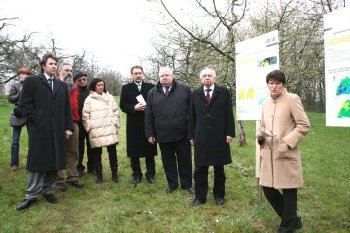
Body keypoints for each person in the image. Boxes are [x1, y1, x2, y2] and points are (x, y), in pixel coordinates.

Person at [14, 53, 73, 211]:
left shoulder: (60, 85)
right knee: (37, 160)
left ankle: (48, 189)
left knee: (55, 159)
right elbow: (24, 104)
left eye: (55, 64)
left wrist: (68, 127)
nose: (54, 66)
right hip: (39, 128)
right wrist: (36, 119)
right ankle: (31, 194)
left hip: (58, 128)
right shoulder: (33, 81)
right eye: (51, 63)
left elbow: (66, 108)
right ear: (43, 65)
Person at [256, 70, 310, 233]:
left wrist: (287, 143)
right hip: (268, 152)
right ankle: (292, 219)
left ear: (283, 84)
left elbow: (304, 125)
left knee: (288, 189)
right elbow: (264, 125)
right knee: (267, 188)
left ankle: (287, 225)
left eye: (277, 83)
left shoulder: (293, 99)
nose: (274, 86)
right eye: (271, 83)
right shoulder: (265, 103)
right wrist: (260, 135)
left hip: (286, 152)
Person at [188, 68, 235, 206]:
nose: (207, 77)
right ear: (200, 78)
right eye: (204, 75)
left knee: (219, 168)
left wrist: (229, 133)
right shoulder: (195, 94)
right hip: (200, 136)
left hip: (219, 136)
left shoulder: (224, 92)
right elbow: (191, 116)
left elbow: (229, 114)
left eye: (209, 75)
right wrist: (191, 135)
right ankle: (199, 197)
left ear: (215, 78)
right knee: (200, 168)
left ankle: (219, 195)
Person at [145, 67, 194, 194]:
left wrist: (191, 133)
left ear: (172, 76)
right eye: (162, 76)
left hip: (182, 134)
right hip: (162, 134)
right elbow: (149, 115)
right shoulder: (152, 93)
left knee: (185, 160)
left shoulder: (185, 90)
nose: (165, 77)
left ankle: (187, 184)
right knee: (168, 161)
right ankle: (172, 184)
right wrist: (150, 133)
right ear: (159, 77)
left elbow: (192, 112)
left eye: (167, 75)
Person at [120, 65, 157, 184]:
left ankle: (150, 175)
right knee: (134, 150)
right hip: (133, 123)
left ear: (143, 74)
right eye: (135, 73)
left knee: (149, 149)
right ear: (132, 75)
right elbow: (122, 105)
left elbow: (156, 103)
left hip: (148, 122)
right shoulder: (126, 88)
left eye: (140, 73)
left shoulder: (151, 87)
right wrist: (134, 107)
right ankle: (137, 174)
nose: (138, 75)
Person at [82, 78, 120, 183]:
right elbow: (85, 116)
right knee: (96, 154)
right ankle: (99, 177)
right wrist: (89, 127)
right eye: (98, 85)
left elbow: (116, 111)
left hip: (109, 128)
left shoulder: (110, 97)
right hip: (96, 130)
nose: (101, 87)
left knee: (113, 153)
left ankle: (115, 175)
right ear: (94, 86)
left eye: (102, 85)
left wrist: (115, 122)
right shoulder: (89, 99)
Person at [56, 65, 84, 191]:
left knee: (73, 151)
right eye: (66, 70)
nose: (69, 72)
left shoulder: (74, 87)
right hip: (58, 123)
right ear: (60, 71)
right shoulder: (54, 84)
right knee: (60, 150)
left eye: (71, 71)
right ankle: (59, 179)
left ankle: (72, 176)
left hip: (73, 122)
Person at [7, 67, 32, 170]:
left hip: (30, 114)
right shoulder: (15, 85)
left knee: (33, 140)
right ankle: (14, 163)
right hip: (18, 114)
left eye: (24, 74)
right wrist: (20, 93)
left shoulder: (32, 86)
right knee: (15, 141)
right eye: (20, 74)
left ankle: (32, 163)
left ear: (28, 75)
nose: (21, 75)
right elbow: (10, 98)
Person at [74, 71, 94, 177]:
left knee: (91, 145)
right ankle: (79, 167)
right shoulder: (73, 90)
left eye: (84, 79)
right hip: (78, 122)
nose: (82, 81)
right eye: (79, 80)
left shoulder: (91, 91)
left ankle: (92, 167)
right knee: (79, 146)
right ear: (76, 81)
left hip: (90, 121)